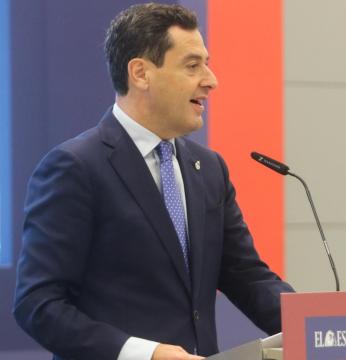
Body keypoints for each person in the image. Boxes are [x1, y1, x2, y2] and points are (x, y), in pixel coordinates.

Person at [13, 3, 294, 360]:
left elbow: (246, 276)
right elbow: (38, 304)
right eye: (193, 65)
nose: (211, 79)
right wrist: (145, 353)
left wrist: (315, 325)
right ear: (141, 74)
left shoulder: (208, 168)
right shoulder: (75, 168)